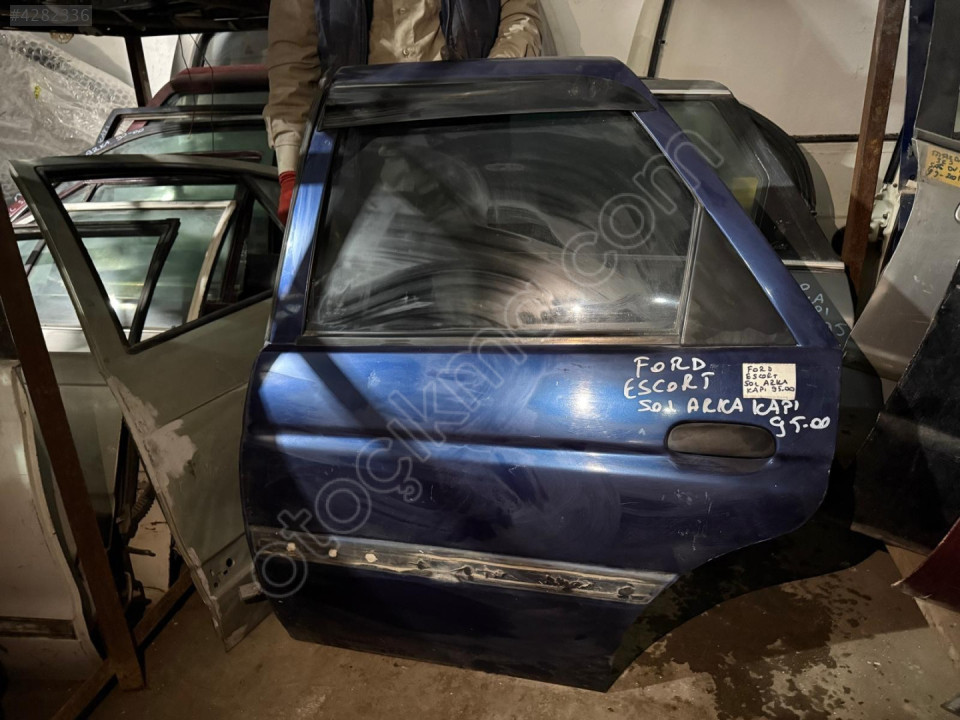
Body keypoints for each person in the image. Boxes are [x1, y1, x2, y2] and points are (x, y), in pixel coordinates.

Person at [265, 0, 544, 223]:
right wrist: (292, 176)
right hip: (360, 162)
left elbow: (520, 20)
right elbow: (293, 68)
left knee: (483, 268)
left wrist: (489, 91)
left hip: (470, 151)